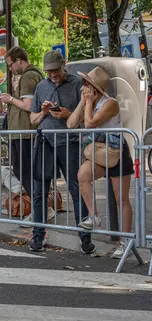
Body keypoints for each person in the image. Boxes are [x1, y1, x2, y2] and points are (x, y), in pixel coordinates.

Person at [29, 50, 94, 254]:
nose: (53, 74)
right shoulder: (42, 85)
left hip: (70, 143)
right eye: (49, 71)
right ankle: (37, 237)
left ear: (63, 64)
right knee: (39, 191)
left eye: (56, 70)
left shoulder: (77, 84)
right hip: (45, 142)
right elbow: (33, 119)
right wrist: (44, 112)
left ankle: (85, 239)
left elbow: (87, 118)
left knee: (77, 190)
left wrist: (68, 114)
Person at [68, 66, 134, 259]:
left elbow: (89, 123)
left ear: (95, 88)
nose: (83, 88)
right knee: (83, 175)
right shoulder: (89, 101)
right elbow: (71, 124)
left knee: (121, 199)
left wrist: (88, 102)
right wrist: (82, 103)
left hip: (116, 152)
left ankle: (125, 241)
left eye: (86, 85)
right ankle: (93, 215)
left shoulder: (110, 103)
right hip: (98, 153)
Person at [0, 46, 46, 225]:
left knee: (24, 170)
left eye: (10, 65)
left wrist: (10, 99)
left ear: (19, 61)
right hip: (22, 131)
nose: (10, 69)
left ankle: (39, 209)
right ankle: (39, 208)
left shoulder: (28, 76)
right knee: (22, 170)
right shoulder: (32, 75)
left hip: (25, 132)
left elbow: (28, 105)